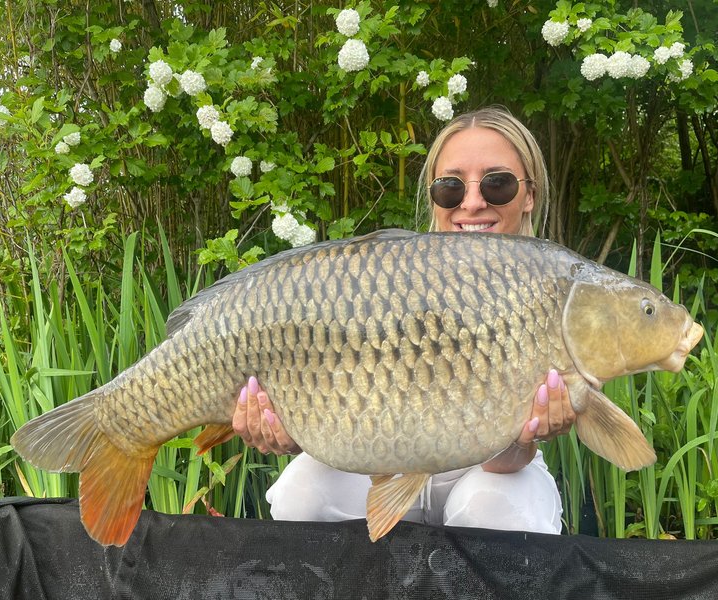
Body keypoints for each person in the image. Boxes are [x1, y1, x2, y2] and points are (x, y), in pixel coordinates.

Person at [232, 106, 576, 534]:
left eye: (497, 183)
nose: (472, 202)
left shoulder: (551, 290)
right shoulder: (387, 280)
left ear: (529, 195)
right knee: (299, 492)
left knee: (494, 510)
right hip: (377, 459)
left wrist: (525, 437)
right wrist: (291, 429)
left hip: (492, 473)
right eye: (450, 187)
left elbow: (502, 461)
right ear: (434, 198)